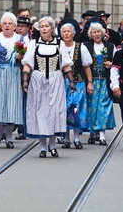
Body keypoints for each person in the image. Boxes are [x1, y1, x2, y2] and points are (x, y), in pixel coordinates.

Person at [21, 16, 75, 158]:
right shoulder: (34, 44)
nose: (44, 28)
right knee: (40, 111)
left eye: (46, 26)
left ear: (52, 28)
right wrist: (25, 80)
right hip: (38, 80)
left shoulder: (59, 44)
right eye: (42, 26)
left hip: (56, 80)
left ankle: (52, 145)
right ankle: (42, 147)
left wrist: (72, 82)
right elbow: (27, 64)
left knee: (54, 112)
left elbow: (66, 65)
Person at [0, 12, 27, 149]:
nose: (7, 26)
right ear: (1, 25)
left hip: (14, 74)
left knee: (12, 104)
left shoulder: (21, 39)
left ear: (15, 26)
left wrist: (21, 57)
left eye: (10, 23)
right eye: (5, 23)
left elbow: (28, 59)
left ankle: (9, 137)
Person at [58, 19, 93, 149]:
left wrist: (90, 83)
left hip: (78, 84)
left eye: (69, 32)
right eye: (64, 32)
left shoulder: (80, 47)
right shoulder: (57, 46)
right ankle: (66, 137)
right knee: (64, 110)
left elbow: (87, 66)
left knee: (76, 109)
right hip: (61, 83)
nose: (66, 34)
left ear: (73, 34)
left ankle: (77, 138)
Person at [82, 22, 116, 145]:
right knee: (91, 106)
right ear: (90, 34)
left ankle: (101, 135)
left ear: (103, 33)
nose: (96, 34)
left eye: (98, 32)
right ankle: (92, 133)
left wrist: (111, 65)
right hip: (91, 81)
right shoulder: (85, 46)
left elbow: (117, 65)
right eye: (94, 32)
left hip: (105, 81)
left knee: (104, 106)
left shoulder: (111, 46)